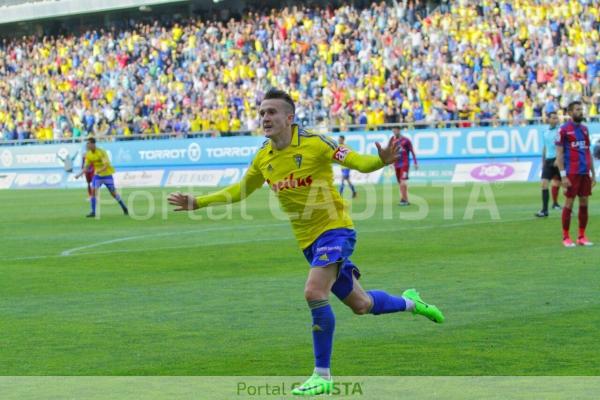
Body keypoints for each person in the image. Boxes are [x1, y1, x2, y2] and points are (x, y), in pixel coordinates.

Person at [168, 89, 444, 396]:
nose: (265, 118)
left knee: (314, 291)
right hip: (308, 242)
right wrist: (199, 202)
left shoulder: (315, 143)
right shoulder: (263, 157)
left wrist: (379, 162)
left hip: (335, 230)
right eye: (262, 113)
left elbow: (354, 161)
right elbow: (240, 190)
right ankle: (411, 302)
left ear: (289, 117)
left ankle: (322, 375)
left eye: (272, 112)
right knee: (362, 305)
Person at [555, 101, 595, 247]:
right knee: (569, 203)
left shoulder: (585, 129)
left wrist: (593, 173)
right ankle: (566, 237)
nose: (581, 112)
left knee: (584, 203)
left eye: (582, 109)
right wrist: (563, 175)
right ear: (570, 112)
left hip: (584, 172)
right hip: (571, 172)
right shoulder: (563, 130)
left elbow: (587, 151)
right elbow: (559, 155)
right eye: (578, 109)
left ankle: (581, 236)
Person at [75, 137, 129, 218]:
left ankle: (124, 207)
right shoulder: (88, 154)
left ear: (93, 144)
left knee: (113, 193)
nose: (87, 145)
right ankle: (93, 212)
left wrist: (99, 170)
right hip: (97, 176)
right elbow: (86, 167)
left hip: (107, 175)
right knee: (93, 191)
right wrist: (79, 174)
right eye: (87, 144)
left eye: (89, 144)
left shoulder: (101, 152)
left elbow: (106, 165)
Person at [535, 112, 562, 217]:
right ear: (549, 120)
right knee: (544, 184)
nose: (556, 120)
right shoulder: (545, 132)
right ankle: (544, 210)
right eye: (553, 118)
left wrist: (559, 158)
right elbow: (545, 147)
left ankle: (569, 209)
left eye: (557, 118)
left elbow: (562, 146)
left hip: (558, 160)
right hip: (548, 161)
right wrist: (543, 162)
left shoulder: (560, 131)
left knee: (565, 185)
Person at [391, 127, 418, 206]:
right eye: (393, 131)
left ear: (399, 130)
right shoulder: (393, 141)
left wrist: (415, 162)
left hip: (404, 164)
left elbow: (412, 151)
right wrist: (391, 163)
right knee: (400, 182)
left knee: (403, 181)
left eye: (395, 130)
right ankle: (404, 199)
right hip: (396, 164)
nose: (394, 132)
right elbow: (392, 153)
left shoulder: (406, 140)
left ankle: (404, 199)